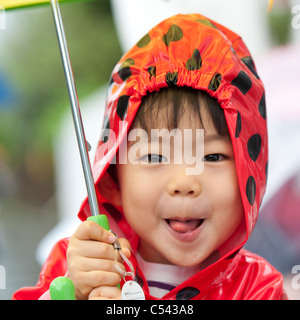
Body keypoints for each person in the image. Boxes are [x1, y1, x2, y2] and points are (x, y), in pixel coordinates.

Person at [13, 13, 286, 300]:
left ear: (249, 173)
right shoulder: (82, 264)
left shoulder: (257, 289)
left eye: (213, 157)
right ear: (114, 179)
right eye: (154, 157)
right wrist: (73, 293)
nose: (184, 181)